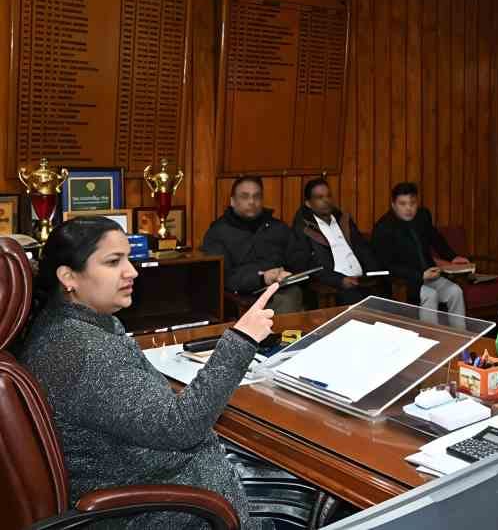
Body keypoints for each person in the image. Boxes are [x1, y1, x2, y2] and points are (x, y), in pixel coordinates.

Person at [15, 216, 278, 529]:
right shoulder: (85, 350)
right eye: (113, 262)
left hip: (150, 480)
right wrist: (242, 339)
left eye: (128, 258)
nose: (132, 271)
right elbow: (181, 426)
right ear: (68, 277)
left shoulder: (63, 325)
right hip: (162, 509)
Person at [202, 176, 307, 313]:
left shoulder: (278, 228)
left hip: (281, 287)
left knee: (294, 295)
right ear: (233, 201)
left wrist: (288, 273)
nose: (252, 201)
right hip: (242, 296)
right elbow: (223, 277)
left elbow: (298, 259)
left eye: (256, 197)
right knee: (286, 301)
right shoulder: (218, 232)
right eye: (245, 197)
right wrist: (261, 278)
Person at [372, 182, 469, 315]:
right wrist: (420, 275)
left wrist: (453, 257)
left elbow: (436, 238)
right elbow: (387, 265)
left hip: (430, 275)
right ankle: (429, 330)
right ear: (393, 205)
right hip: (404, 281)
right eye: (403, 204)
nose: (408, 208)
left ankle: (459, 329)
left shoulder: (422, 215)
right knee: (431, 295)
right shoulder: (383, 227)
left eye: (412, 203)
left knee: (455, 291)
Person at [292, 178, 385, 305]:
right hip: (336, 286)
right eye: (319, 197)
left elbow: (363, 248)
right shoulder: (303, 229)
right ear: (308, 203)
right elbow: (307, 266)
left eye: (328, 196)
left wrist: (373, 272)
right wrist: (339, 280)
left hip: (363, 280)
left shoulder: (343, 219)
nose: (326, 200)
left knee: (387, 302)